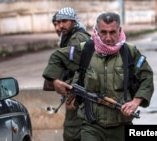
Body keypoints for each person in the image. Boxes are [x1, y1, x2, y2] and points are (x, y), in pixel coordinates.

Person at [43, 12, 154, 141]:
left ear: (120, 30)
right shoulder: (85, 50)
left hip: (121, 125)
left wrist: (136, 102)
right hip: (91, 126)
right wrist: (55, 80)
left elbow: (147, 76)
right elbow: (57, 57)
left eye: (112, 32)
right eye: (103, 32)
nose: (108, 38)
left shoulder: (130, 52)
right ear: (96, 30)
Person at [45, 7, 91, 141]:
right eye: (56, 24)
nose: (59, 27)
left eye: (63, 22)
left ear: (73, 21)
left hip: (79, 95)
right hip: (77, 93)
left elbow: (82, 68)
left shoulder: (77, 38)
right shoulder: (69, 37)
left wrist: (72, 93)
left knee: (73, 132)